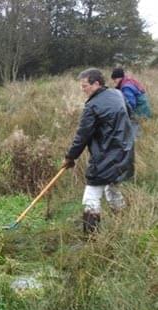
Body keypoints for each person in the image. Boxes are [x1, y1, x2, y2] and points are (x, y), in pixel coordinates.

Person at [63, 68, 135, 234]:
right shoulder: (117, 94)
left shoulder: (92, 106)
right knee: (112, 188)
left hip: (105, 156)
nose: (83, 90)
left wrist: (70, 157)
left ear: (96, 83)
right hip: (125, 152)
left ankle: (91, 238)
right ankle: (123, 223)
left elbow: (82, 136)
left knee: (91, 196)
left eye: (85, 86)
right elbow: (129, 112)